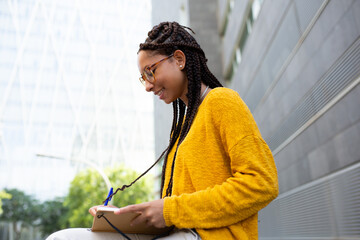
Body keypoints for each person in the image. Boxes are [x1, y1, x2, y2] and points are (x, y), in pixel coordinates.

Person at [46, 21, 278, 240]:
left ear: (179, 59)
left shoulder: (222, 101)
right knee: (63, 238)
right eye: (143, 77)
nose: (147, 85)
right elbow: (173, 211)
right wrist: (129, 217)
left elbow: (262, 183)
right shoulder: (181, 127)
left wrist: (169, 210)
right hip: (177, 233)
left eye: (151, 71)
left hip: (211, 236)